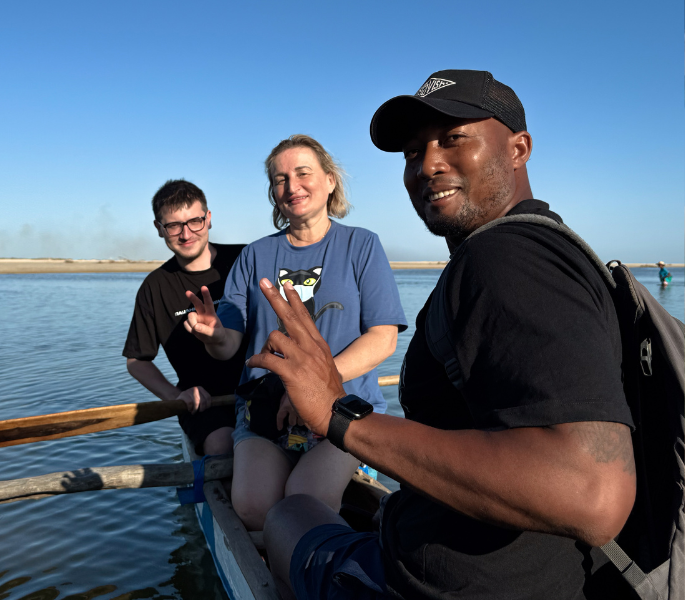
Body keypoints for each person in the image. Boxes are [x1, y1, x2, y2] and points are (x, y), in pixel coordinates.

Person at [253, 71, 637, 599]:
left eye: (453, 138)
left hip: (435, 586)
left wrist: (339, 415)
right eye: (414, 151)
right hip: (531, 570)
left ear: (519, 149)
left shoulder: (505, 260)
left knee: (288, 514)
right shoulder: (544, 247)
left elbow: (593, 494)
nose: (428, 164)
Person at [185, 134, 407, 531]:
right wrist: (214, 336)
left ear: (330, 181)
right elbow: (229, 344)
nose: (292, 186)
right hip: (265, 409)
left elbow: (383, 338)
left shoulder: (361, 245)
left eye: (303, 173)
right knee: (253, 507)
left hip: (341, 406)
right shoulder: (254, 255)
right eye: (280, 179)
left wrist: (311, 387)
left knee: (306, 502)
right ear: (273, 193)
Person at [122, 179, 247, 455]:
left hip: (259, 390)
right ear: (159, 228)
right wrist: (176, 396)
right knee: (223, 445)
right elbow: (137, 360)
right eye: (174, 226)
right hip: (205, 403)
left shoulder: (245, 259)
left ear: (208, 218)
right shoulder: (154, 288)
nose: (186, 234)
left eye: (194, 222)